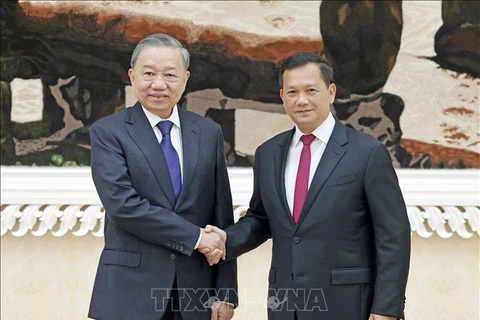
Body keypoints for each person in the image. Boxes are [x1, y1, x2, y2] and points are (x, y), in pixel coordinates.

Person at [203, 52, 410, 320]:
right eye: (292, 92)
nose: (301, 100)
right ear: (282, 97)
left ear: (331, 92)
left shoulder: (367, 152)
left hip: (348, 305)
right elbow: (261, 219)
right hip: (286, 306)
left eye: (311, 90)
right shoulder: (268, 154)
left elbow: (393, 235)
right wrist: (226, 240)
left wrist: (386, 310)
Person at [88, 33, 237, 320]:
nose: (159, 84)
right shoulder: (109, 132)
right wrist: (195, 238)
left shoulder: (208, 132)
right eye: (149, 73)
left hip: (195, 293)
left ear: (185, 79)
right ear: (132, 76)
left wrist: (226, 293)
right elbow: (123, 207)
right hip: (130, 293)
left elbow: (221, 214)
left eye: (170, 74)